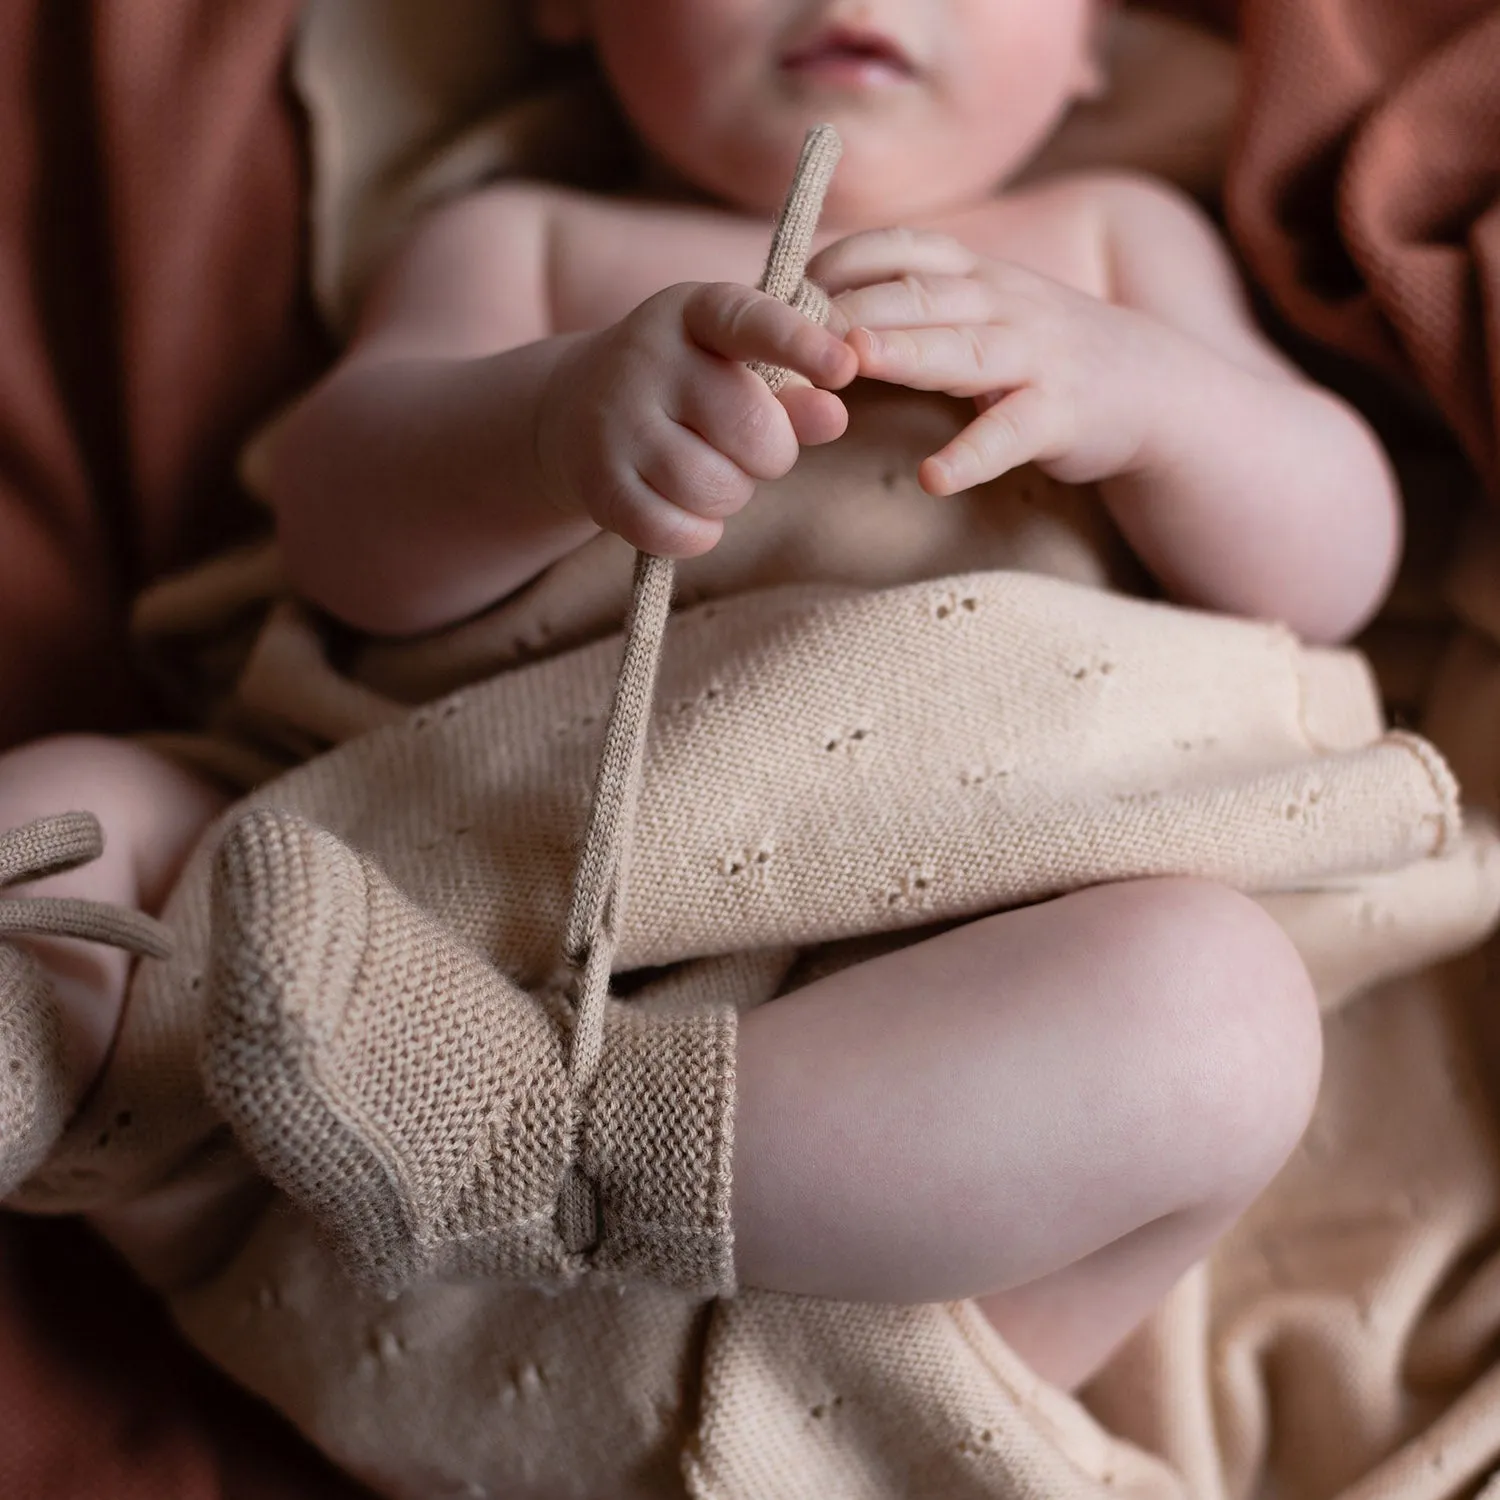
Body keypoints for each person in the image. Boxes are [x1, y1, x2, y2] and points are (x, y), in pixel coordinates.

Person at [0, 0, 1401, 1396]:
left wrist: (1153, 399)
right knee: (78, 808)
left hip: (882, 1182)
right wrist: (547, 427)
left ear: (1099, 36)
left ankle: (566, 1150)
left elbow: (1339, 567)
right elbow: (340, 537)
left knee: (1218, 1026)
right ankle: (46, 1079)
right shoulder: (525, 244)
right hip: (407, 975)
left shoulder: (1113, 242)